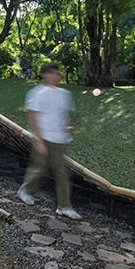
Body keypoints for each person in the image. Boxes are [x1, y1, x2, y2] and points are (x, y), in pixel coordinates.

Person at [17, 62, 82, 220]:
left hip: (59, 140)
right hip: (44, 138)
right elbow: (33, 117)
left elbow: (66, 117)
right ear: (44, 74)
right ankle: (24, 191)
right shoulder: (37, 93)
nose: (55, 76)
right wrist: (39, 141)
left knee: (62, 174)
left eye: (57, 73)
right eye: (51, 73)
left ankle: (64, 206)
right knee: (39, 169)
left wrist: (67, 133)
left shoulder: (65, 94)